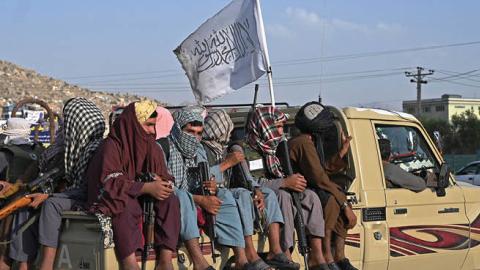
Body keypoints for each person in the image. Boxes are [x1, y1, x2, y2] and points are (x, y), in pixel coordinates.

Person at [0, 98, 105, 270]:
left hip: (71, 199)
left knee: (32, 208)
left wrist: (48, 195)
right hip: (52, 195)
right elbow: (32, 175)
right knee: (24, 207)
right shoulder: (56, 150)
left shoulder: (89, 150)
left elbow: (81, 187)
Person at [160, 107, 268, 270]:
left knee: (224, 194)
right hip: (173, 198)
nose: (194, 137)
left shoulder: (199, 149)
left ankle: (241, 258)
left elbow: (204, 177)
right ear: (177, 129)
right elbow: (164, 187)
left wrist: (210, 185)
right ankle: (199, 262)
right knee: (182, 197)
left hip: (196, 195)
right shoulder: (163, 147)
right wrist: (199, 199)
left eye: (199, 133)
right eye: (190, 132)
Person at [87, 101, 180, 270]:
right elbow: (110, 183)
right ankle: (129, 263)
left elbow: (165, 178)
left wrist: (160, 182)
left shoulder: (152, 147)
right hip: (113, 195)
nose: (153, 131)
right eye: (148, 125)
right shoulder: (112, 146)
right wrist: (145, 188)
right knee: (124, 204)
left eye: (154, 125)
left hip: (140, 194)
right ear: (134, 125)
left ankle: (165, 261)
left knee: (170, 200)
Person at [201, 109, 299, 270]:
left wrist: (257, 189)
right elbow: (204, 176)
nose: (227, 133)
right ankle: (250, 253)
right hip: (218, 192)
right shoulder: (205, 149)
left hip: (236, 189)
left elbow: (248, 177)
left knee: (269, 195)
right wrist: (228, 163)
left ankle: (275, 249)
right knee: (243, 195)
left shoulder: (222, 148)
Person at [246, 106, 329, 270]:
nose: (280, 131)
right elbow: (252, 182)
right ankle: (284, 251)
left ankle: (317, 255)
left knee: (311, 197)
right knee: (282, 195)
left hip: (284, 191)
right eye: (277, 126)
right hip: (261, 197)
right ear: (265, 126)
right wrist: (283, 183)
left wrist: (295, 181)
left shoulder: (279, 147)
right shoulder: (248, 150)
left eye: (282, 127)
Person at [289, 101, 357, 270]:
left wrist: (342, 151)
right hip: (301, 190)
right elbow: (319, 178)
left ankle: (339, 257)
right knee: (332, 199)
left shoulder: (306, 141)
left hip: (308, 186)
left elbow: (320, 168)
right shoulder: (303, 142)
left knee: (336, 195)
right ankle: (326, 255)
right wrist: (345, 204)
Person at [0, 117, 44, 270]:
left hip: (10, 205)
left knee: (4, 257)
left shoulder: (5, 153)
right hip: (32, 203)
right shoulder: (39, 150)